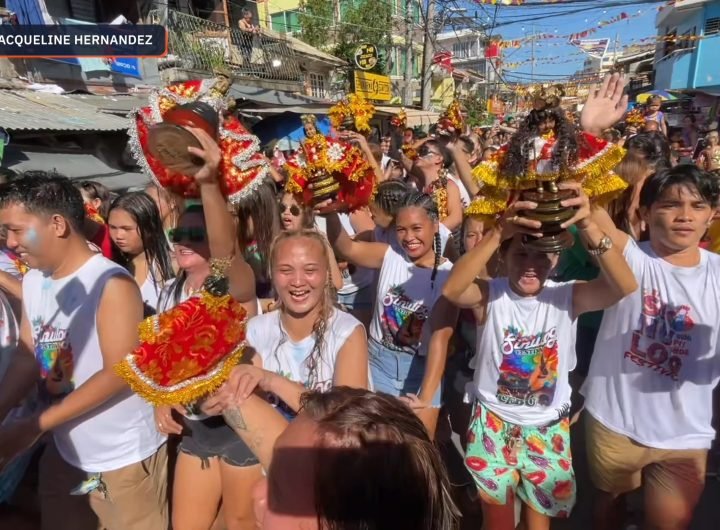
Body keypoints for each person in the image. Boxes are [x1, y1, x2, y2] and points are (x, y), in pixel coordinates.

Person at [442, 182, 638, 530]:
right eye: (521, 254)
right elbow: (453, 289)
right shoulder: (491, 296)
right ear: (503, 256)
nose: (531, 266)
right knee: (498, 522)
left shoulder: (568, 297)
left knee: (538, 523)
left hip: (547, 430)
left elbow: (624, 286)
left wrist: (589, 224)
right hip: (493, 424)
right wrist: (498, 232)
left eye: (542, 256)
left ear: (557, 258)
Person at [0, 173, 168, 530]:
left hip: (120, 459)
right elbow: (29, 354)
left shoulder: (110, 283)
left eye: (17, 230)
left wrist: (34, 425)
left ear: (57, 224)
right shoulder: (34, 280)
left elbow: (120, 372)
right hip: (64, 450)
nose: (10, 242)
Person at [583, 164, 720, 530]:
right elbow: (589, 209)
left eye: (697, 205)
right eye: (670, 205)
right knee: (609, 505)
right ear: (644, 214)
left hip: (686, 435)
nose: (685, 216)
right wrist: (589, 134)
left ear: (712, 214)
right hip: (615, 421)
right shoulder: (629, 257)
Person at [153, 127, 262, 530]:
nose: (183, 240)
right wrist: (160, 397)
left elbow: (223, 252)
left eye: (194, 235)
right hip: (197, 431)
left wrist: (209, 184)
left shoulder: (235, 281)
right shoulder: (172, 290)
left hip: (240, 429)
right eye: (179, 233)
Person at [325, 192, 458, 437]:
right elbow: (346, 247)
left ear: (435, 224)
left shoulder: (450, 276)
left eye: (416, 228)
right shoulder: (389, 256)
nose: (409, 238)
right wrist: (329, 212)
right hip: (378, 364)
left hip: (422, 370)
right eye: (401, 230)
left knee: (418, 451)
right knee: (377, 445)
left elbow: (441, 337)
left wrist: (425, 397)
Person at [204, 229, 369, 423]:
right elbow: (243, 399)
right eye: (285, 270)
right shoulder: (256, 330)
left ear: (326, 274)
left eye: (310, 270)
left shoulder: (347, 332)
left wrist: (270, 380)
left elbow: (347, 418)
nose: (297, 282)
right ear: (272, 274)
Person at [108, 191, 174, 315]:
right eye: (112, 227)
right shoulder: (109, 269)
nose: (118, 235)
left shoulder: (173, 266)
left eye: (126, 229)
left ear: (149, 227)